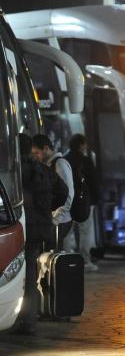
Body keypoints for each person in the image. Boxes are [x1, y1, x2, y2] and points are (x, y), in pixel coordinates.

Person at [15, 134, 57, 334]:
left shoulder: (15, 169)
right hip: (40, 227)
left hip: (21, 227)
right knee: (30, 273)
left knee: (16, 272)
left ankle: (19, 318)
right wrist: (47, 210)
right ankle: (29, 319)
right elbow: (63, 192)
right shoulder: (44, 169)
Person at [32, 134, 74, 250]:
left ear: (46, 149)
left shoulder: (59, 164)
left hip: (61, 221)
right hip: (55, 220)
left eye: (37, 153)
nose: (36, 157)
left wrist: (55, 220)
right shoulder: (49, 164)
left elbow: (68, 194)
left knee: (56, 253)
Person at [64, 134, 99, 272]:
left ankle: (67, 260)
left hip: (68, 201)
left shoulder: (64, 160)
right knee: (85, 230)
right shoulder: (85, 161)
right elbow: (93, 181)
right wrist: (95, 198)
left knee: (68, 230)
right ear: (81, 145)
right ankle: (85, 260)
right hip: (84, 202)